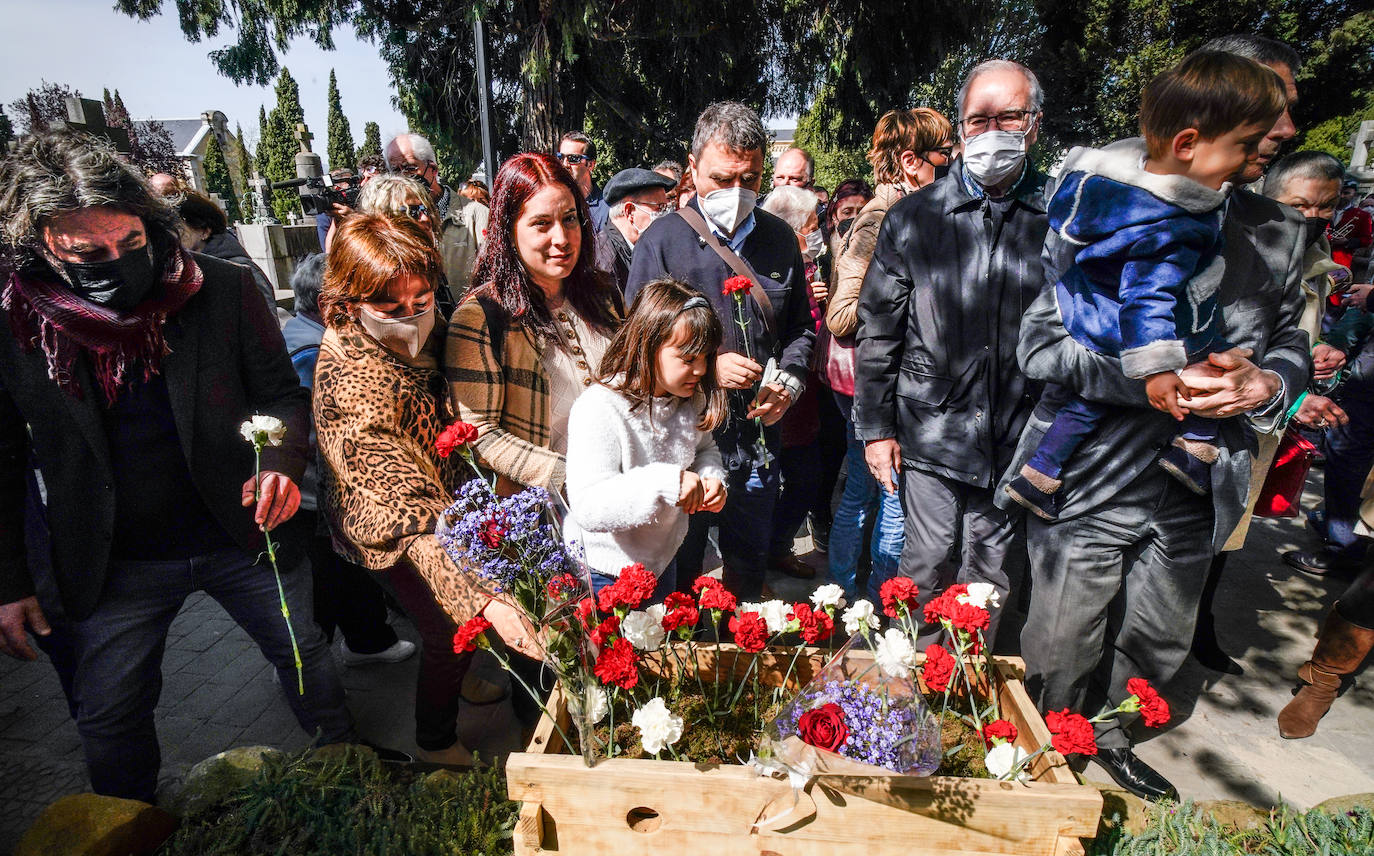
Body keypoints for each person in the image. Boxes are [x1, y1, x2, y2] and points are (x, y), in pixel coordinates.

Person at [0, 129, 356, 801]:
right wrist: (8, 580)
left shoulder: (219, 288)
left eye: (130, 244)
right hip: (114, 560)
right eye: (86, 253)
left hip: (238, 531)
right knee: (109, 715)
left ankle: (347, 775)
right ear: (39, 243)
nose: (114, 262)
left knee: (304, 658)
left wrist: (279, 458)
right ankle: (128, 823)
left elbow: (281, 393)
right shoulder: (18, 318)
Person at [1006, 35, 1311, 800]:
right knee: (1062, 632)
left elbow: (1294, 345)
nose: (1285, 129)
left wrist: (1263, 383)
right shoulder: (1118, 202)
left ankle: (1111, 739)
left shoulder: (1282, 232)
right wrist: (1146, 381)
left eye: (1286, 113)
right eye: (1269, 108)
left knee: (1161, 636)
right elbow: (1042, 343)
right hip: (1090, 476)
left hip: (1200, 480)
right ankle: (1041, 750)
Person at [1003, 52, 1288, 520]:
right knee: (1209, 359)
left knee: (1083, 408)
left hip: (1094, 314)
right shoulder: (1174, 224)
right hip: (1129, 332)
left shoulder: (1119, 191)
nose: (1256, 153)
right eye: (1245, 143)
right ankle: (1194, 446)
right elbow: (1147, 297)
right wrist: (1156, 371)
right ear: (1188, 143)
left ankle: (1039, 474)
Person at [313, 214, 537, 765]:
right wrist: (482, 595)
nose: (412, 316)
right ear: (349, 301)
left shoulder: (428, 326)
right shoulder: (350, 381)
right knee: (444, 626)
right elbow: (411, 513)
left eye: (423, 298)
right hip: (387, 527)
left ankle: (461, 682)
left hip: (450, 499)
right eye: (391, 307)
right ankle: (435, 739)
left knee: (467, 620)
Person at [854, 62, 1049, 644]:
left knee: (988, 574)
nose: (993, 131)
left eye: (1008, 116)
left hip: (1018, 436)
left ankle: (962, 687)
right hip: (930, 428)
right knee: (926, 562)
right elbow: (877, 330)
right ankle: (906, 682)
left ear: (1033, 124)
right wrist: (875, 430)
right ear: (961, 132)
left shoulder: (1059, 216)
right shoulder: (914, 217)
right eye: (978, 119)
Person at [626, 101, 815, 601]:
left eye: (750, 180)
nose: (736, 193)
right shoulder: (662, 241)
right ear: (691, 169)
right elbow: (638, 344)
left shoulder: (779, 240)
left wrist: (788, 386)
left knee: (748, 563)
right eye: (721, 178)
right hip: (682, 437)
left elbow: (801, 330)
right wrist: (707, 368)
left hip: (756, 437)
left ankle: (743, 652)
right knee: (680, 567)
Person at [825, 107, 953, 601]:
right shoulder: (880, 217)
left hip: (887, 385)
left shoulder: (918, 210)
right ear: (910, 161)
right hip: (873, 387)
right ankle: (876, 605)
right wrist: (909, 309)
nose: (954, 161)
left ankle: (845, 595)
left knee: (866, 492)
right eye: (945, 152)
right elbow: (842, 315)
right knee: (886, 499)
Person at [445, 152, 623, 497]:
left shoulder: (603, 296)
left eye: (570, 219)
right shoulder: (482, 317)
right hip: (546, 517)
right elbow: (478, 431)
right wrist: (569, 476)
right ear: (508, 230)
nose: (562, 238)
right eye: (542, 223)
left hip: (623, 493)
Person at [281, 253, 416, 667]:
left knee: (341, 575)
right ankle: (307, 663)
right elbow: (320, 434)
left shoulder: (303, 335)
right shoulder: (314, 352)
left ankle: (364, 641)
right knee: (331, 579)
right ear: (330, 303)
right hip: (317, 496)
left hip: (317, 496)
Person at [564, 279, 728, 598]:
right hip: (603, 572)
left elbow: (706, 449)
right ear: (649, 345)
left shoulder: (689, 400)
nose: (700, 369)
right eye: (688, 358)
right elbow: (588, 506)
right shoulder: (600, 407)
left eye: (706, 357)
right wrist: (666, 483)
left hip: (661, 561)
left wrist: (711, 478)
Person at [386, 133, 489, 300]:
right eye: (395, 170)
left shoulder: (476, 215)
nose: (403, 177)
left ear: (433, 169)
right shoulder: (390, 221)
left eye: (410, 168)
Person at [177, 189, 280, 318]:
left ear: (204, 231)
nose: (173, 237)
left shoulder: (240, 270)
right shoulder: (182, 272)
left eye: (179, 229)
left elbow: (268, 327)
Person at [595, 168, 677, 293]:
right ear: (630, 212)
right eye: (659, 207)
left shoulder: (639, 248)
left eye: (667, 207)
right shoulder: (605, 262)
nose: (665, 215)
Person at [556, 131, 608, 232]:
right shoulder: (552, 203)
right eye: (561, 158)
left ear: (591, 165)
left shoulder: (607, 211)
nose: (565, 164)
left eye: (573, 159)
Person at [1332, 178, 1373, 273]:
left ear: (1354, 194)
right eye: (1339, 192)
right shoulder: (1323, 209)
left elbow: (1367, 240)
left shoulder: (1363, 215)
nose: (1342, 196)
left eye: (1346, 193)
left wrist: (1347, 241)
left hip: (1341, 260)